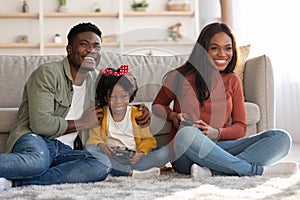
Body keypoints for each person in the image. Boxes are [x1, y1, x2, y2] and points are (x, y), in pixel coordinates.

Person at [0, 22, 151, 192]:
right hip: (36, 139)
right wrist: (81, 123)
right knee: (37, 162)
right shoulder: (48, 73)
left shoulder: (96, 81)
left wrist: (136, 107)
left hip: (66, 151)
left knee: (101, 164)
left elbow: (113, 99)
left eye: (96, 46)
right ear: (69, 49)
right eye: (84, 45)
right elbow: (40, 125)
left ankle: (11, 183)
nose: (91, 51)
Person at [152, 22, 298, 180]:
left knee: (281, 138)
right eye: (214, 48)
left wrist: (217, 133)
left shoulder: (232, 80)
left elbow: (241, 127)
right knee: (186, 133)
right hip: (186, 152)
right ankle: (256, 171)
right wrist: (174, 116)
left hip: (221, 147)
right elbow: (157, 106)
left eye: (228, 48)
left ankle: (212, 171)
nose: (222, 54)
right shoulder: (179, 76)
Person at [85, 66, 170, 178]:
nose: (118, 102)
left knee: (164, 152)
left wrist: (140, 153)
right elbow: (93, 138)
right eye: (113, 97)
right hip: (111, 156)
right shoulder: (101, 115)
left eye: (124, 96)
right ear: (106, 98)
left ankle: (119, 170)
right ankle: (133, 173)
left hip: (134, 158)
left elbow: (148, 140)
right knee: (89, 150)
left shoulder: (137, 113)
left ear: (129, 96)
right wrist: (102, 145)